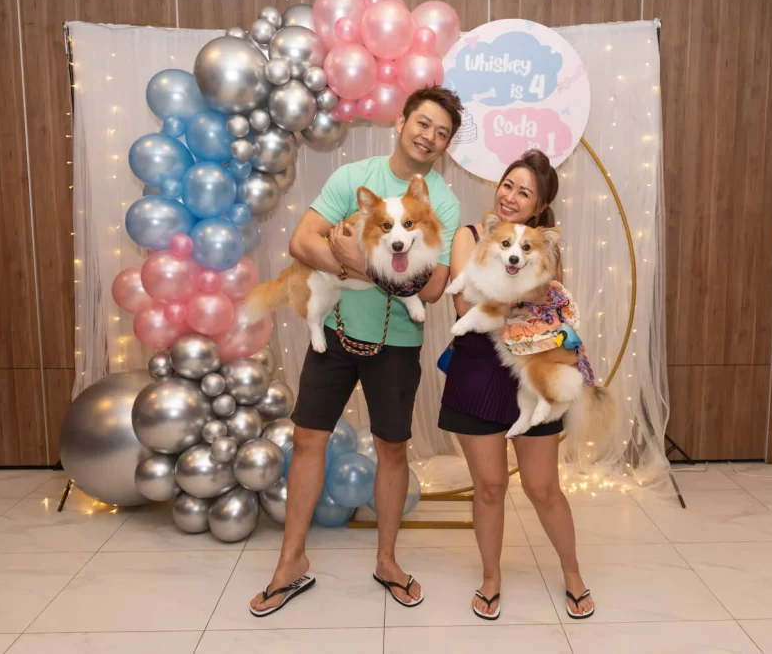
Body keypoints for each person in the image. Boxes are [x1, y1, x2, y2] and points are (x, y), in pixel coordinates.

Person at [250, 86, 463, 617]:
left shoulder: (442, 201)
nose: (430, 137)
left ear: (447, 145)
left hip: (397, 343)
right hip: (337, 332)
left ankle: (387, 561)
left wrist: (357, 261)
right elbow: (302, 241)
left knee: (392, 448)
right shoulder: (353, 178)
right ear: (401, 122)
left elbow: (433, 288)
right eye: (424, 123)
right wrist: (349, 262)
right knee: (308, 438)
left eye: (442, 133)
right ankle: (290, 561)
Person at [439, 149, 595, 621]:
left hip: (532, 367)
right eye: (508, 184)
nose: (510, 196)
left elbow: (547, 301)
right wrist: (524, 294)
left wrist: (520, 295)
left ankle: (573, 574)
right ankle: (491, 579)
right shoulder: (471, 235)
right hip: (477, 370)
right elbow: (465, 304)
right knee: (488, 487)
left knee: (543, 487)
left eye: (524, 193)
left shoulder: (544, 247)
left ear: (539, 207)